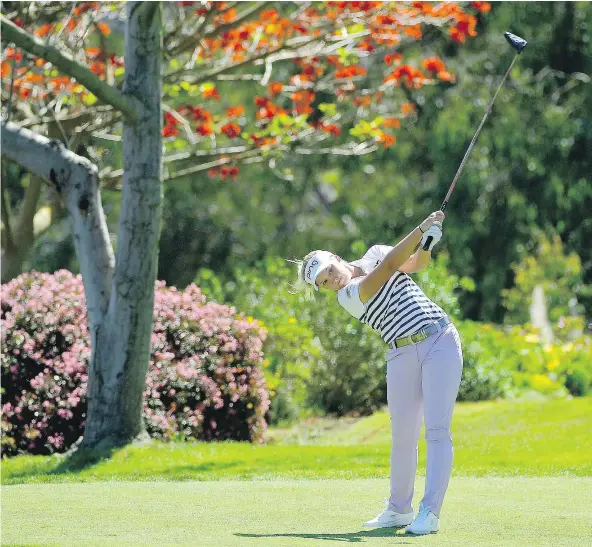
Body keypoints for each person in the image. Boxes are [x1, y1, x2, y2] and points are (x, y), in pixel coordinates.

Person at [290, 211, 463, 535]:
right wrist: (421, 228)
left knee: (437, 430)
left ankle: (430, 513)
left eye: (329, 271)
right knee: (403, 437)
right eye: (324, 283)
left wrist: (426, 245)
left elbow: (413, 264)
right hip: (400, 352)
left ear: (337, 259)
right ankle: (399, 510)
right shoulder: (348, 296)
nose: (332, 281)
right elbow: (386, 271)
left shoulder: (375, 252)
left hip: (439, 338)